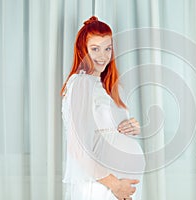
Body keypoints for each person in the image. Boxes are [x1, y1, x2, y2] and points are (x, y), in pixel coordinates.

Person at [61, 16, 145, 200]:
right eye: (95, 49)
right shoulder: (82, 83)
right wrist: (116, 186)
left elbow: (109, 131)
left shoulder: (108, 86)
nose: (103, 55)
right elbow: (77, 147)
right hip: (104, 186)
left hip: (119, 185)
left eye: (108, 48)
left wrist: (132, 128)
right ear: (82, 50)